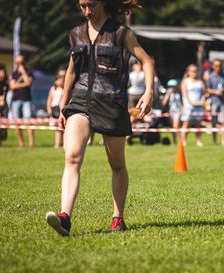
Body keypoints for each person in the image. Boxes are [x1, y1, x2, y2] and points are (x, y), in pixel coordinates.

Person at [45, 0, 153, 236]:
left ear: (103, 3)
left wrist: (149, 91)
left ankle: (118, 217)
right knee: (72, 157)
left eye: (91, 4)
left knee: (117, 165)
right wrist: (64, 101)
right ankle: (65, 217)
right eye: (82, 5)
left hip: (111, 103)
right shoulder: (75, 34)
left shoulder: (121, 33)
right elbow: (72, 70)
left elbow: (147, 61)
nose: (86, 10)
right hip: (81, 101)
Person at [9, 55, 35, 148]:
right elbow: (12, 87)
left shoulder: (29, 72)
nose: (19, 64)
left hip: (26, 100)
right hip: (16, 100)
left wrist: (23, 73)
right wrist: (23, 84)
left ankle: (31, 143)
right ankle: (21, 143)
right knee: (17, 122)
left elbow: (29, 83)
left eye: (21, 62)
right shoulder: (13, 74)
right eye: (18, 62)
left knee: (28, 121)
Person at [205, 59, 224, 146]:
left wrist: (223, 90)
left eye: (219, 65)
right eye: (216, 65)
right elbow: (207, 89)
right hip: (214, 102)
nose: (218, 67)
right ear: (213, 66)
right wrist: (215, 92)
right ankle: (214, 141)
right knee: (214, 122)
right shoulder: (210, 77)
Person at [180, 64, 205, 147]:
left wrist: (202, 101)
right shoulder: (185, 81)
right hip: (188, 106)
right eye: (192, 71)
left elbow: (204, 93)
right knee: (186, 124)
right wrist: (191, 103)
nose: (194, 73)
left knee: (198, 124)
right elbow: (185, 93)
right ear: (188, 72)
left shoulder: (200, 82)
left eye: (196, 71)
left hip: (199, 106)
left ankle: (199, 141)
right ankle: (183, 141)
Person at [161, 79, 182, 144]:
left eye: (173, 86)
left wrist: (182, 111)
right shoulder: (169, 94)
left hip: (178, 112)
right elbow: (164, 103)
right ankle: (174, 141)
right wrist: (168, 94)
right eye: (170, 86)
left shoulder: (179, 94)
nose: (172, 88)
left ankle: (179, 141)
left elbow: (182, 103)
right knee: (173, 127)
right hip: (171, 112)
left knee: (176, 126)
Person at [46, 76, 64, 148]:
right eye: (59, 80)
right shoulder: (53, 89)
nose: (61, 81)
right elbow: (49, 100)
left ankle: (63, 143)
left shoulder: (64, 89)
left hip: (61, 109)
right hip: (54, 109)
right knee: (57, 128)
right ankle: (57, 143)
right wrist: (49, 111)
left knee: (62, 127)